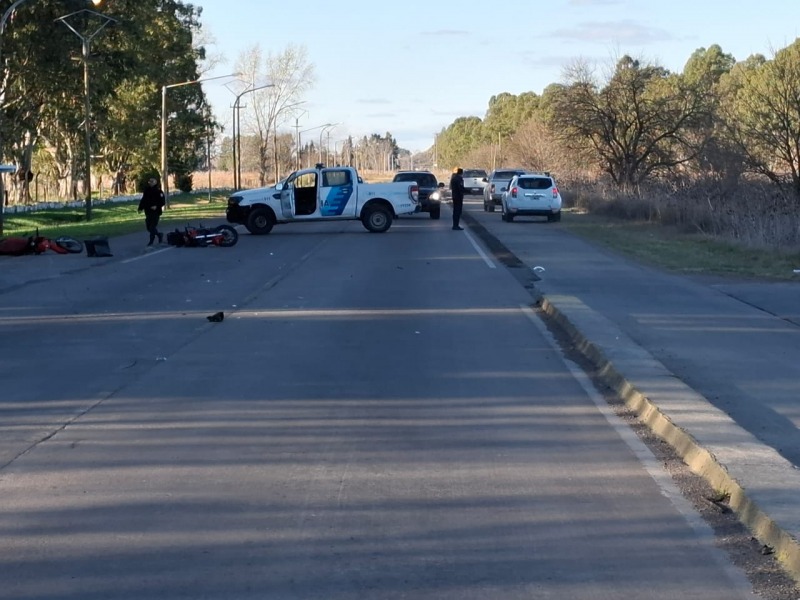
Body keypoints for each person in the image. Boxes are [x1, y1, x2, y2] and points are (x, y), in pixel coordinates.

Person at [138, 177, 166, 245]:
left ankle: (151, 241)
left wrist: (156, 206)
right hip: (148, 211)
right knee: (148, 227)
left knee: (152, 227)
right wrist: (140, 208)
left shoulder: (159, 191)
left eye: (152, 181)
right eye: (150, 181)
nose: (150, 183)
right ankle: (159, 235)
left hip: (156, 212)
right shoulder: (147, 190)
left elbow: (162, 202)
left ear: (155, 182)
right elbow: (143, 200)